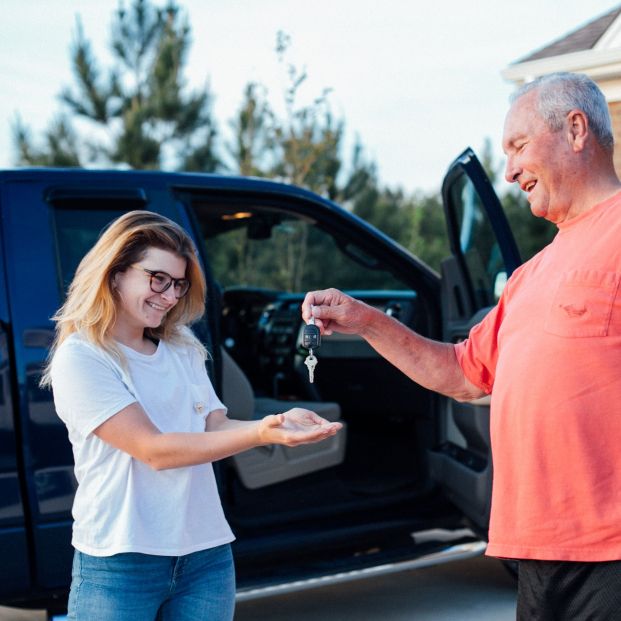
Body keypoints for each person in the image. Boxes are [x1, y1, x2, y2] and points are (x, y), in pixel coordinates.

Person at [302, 72, 621, 620]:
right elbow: (460, 373)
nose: (509, 170)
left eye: (519, 146)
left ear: (575, 130)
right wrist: (366, 320)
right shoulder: (529, 276)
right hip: (537, 552)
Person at [41, 210, 341, 621]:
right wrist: (260, 433)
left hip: (205, 555)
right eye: (157, 279)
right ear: (114, 274)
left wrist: (278, 423)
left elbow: (214, 426)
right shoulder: (82, 358)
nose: (169, 296)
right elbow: (155, 450)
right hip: (120, 561)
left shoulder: (182, 346)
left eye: (179, 285)